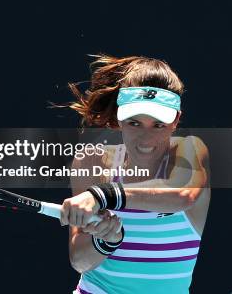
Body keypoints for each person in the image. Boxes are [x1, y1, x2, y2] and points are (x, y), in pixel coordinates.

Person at [60, 55, 210, 294]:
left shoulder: (190, 149)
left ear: (176, 120)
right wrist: (105, 241)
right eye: (134, 123)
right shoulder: (91, 160)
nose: (146, 138)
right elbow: (79, 261)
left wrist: (102, 195)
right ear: (119, 118)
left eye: (158, 124)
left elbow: (182, 194)